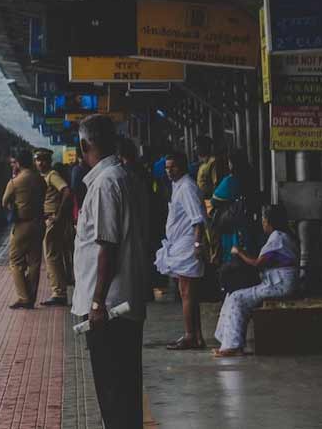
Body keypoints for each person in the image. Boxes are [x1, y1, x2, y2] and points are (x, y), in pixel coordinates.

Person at [72, 114, 148, 428]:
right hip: (125, 302)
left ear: (83, 145)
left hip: (109, 309)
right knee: (126, 390)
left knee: (113, 391)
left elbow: (107, 247)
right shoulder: (125, 176)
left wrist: (96, 303)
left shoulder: (105, 183)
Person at [213, 206, 298, 357]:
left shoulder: (278, 237)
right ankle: (226, 341)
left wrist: (239, 252)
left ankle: (233, 346)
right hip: (276, 282)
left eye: (264, 220)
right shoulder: (283, 236)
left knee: (237, 298)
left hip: (280, 285)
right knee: (232, 295)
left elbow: (258, 263)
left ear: (270, 222)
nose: (262, 223)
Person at [154, 153, 207, 349]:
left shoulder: (187, 187)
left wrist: (197, 245)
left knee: (186, 293)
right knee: (190, 294)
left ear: (182, 166)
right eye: (167, 167)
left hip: (187, 245)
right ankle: (197, 336)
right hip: (180, 244)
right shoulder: (178, 186)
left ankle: (189, 335)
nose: (169, 171)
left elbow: (198, 220)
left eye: (173, 167)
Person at [2, 149, 45, 309]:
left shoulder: (15, 182)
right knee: (34, 262)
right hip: (39, 224)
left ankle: (23, 297)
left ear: (18, 163)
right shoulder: (40, 180)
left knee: (15, 261)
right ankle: (31, 298)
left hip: (22, 225)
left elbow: (4, 202)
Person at [35, 149, 73, 306]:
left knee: (51, 256)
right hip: (48, 219)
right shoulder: (43, 177)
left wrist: (58, 214)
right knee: (51, 255)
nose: (40, 162)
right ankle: (58, 290)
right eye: (38, 159)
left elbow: (66, 191)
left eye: (43, 159)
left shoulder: (52, 175)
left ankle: (59, 293)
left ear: (49, 161)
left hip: (52, 220)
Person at [209, 151, 253, 265]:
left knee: (231, 252)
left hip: (232, 222)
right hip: (247, 221)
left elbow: (214, 200)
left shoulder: (230, 180)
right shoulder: (250, 177)